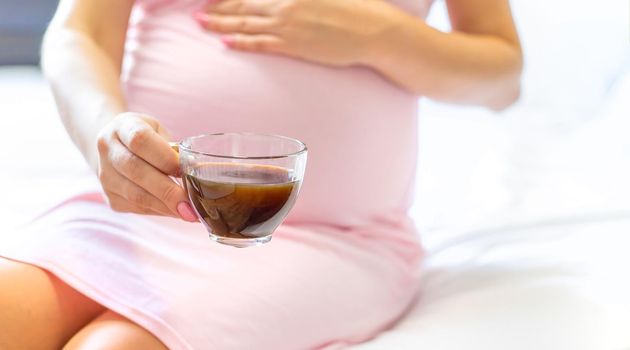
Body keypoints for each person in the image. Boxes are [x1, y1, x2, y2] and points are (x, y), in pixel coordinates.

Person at [0, 0, 522, 348]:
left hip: (331, 238)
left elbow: (502, 77)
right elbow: (78, 33)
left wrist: (380, 36)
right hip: (143, 212)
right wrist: (108, 135)